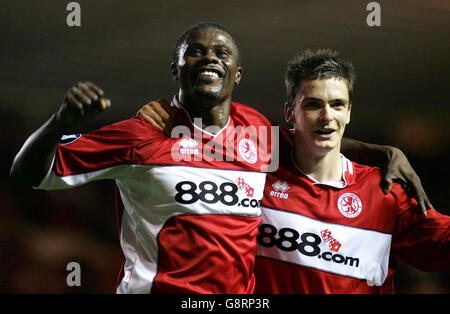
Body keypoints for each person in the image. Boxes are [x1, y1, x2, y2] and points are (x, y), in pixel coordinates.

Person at [10, 22, 432, 294]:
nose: (210, 56)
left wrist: (383, 151)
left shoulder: (256, 133)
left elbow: (310, 139)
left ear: (237, 75)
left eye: (222, 53)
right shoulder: (141, 134)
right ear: (176, 68)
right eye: (195, 51)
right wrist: (60, 120)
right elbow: (29, 173)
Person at [251, 49, 449, 293]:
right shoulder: (257, 172)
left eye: (337, 105)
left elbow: (441, 243)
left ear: (349, 112)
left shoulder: (384, 192)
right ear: (290, 112)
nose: (327, 116)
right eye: (313, 105)